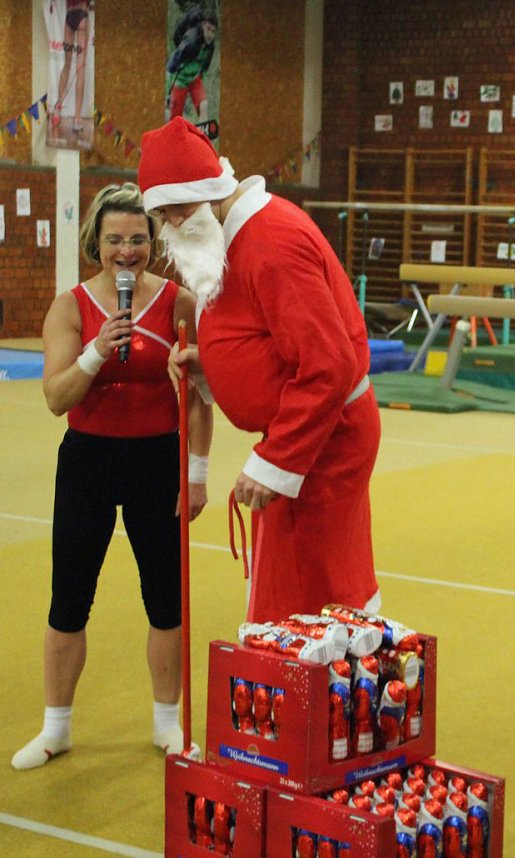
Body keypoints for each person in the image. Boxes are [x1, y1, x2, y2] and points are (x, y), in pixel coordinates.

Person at [136, 116, 381, 624]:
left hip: (323, 441)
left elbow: (328, 364)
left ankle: (325, 686)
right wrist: (217, 365)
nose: (169, 230)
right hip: (311, 433)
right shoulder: (232, 236)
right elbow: (268, 336)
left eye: (171, 214)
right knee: (295, 586)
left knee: (316, 594)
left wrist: (275, 460)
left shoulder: (271, 244)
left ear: (196, 199)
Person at [11, 182, 213, 770]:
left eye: (138, 239)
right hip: (88, 462)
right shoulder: (69, 307)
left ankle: (166, 723)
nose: (127, 251)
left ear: (154, 241)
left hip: (158, 462)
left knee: (166, 600)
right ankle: (56, 729)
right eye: (115, 240)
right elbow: (55, 396)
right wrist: (96, 352)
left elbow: (200, 394)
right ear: (94, 243)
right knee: (69, 598)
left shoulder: (178, 302)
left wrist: (195, 475)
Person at [166, 8, 217, 122]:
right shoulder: (191, 42)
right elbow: (174, 62)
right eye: (208, 29)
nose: (210, 34)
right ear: (203, 26)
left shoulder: (210, 46)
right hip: (180, 81)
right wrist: (167, 89)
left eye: (213, 31)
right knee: (176, 120)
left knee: (203, 106)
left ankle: (202, 136)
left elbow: (204, 66)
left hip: (194, 79)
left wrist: (201, 77)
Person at [52, 0, 92, 133]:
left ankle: (57, 111)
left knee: (67, 65)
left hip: (69, 17)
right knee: (80, 68)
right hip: (82, 16)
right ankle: (77, 118)